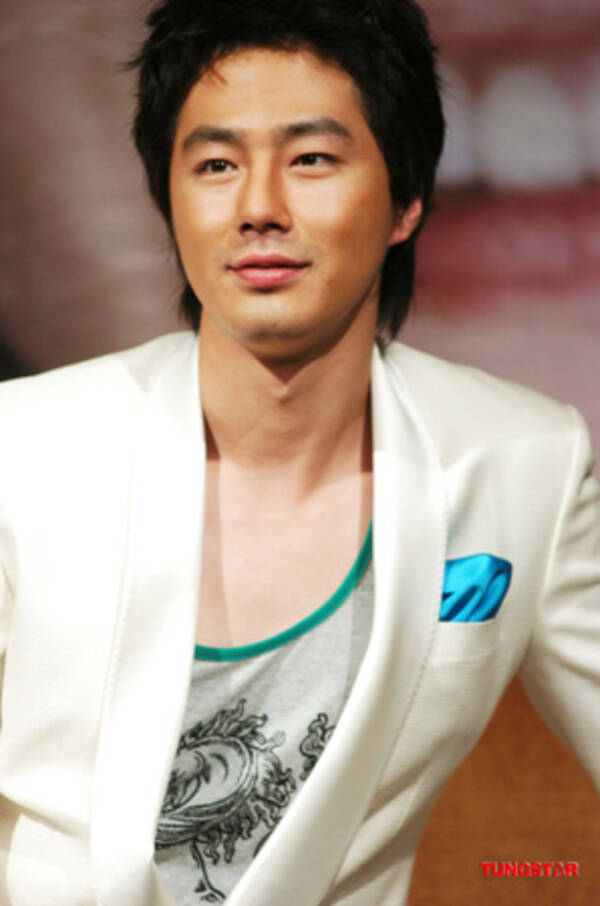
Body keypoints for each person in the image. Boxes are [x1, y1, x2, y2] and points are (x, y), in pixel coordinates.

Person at [0, 0, 598, 903]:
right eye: (215, 165)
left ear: (405, 202)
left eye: (311, 159)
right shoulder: (24, 448)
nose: (258, 209)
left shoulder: (523, 462)